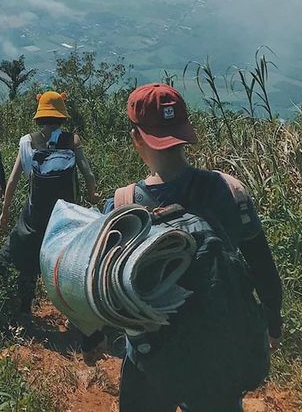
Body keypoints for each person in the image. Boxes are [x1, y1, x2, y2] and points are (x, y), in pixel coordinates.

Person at [109, 83, 283, 412]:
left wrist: (93, 338)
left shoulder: (123, 205)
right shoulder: (229, 190)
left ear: (136, 138)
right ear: (185, 132)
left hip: (149, 354)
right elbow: (262, 266)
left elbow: (108, 290)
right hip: (218, 350)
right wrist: (272, 320)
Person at [0, 91, 100, 324]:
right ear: (62, 116)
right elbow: (88, 174)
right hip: (67, 216)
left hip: (36, 215)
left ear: (39, 116)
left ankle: (24, 308)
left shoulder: (28, 141)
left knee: (24, 258)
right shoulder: (72, 140)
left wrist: (5, 213)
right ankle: (73, 315)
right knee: (69, 263)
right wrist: (93, 195)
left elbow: (13, 180)